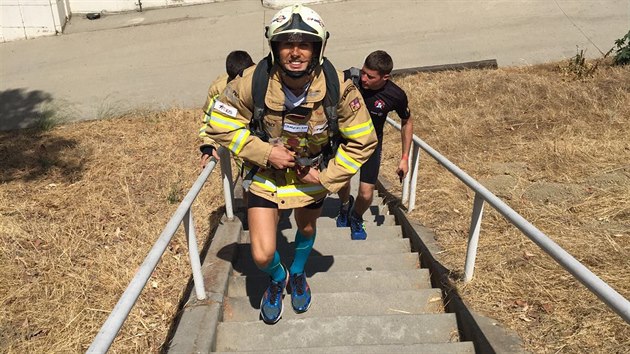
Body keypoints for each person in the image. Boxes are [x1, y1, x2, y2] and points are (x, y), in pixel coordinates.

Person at [201, 5, 377, 324]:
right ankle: (277, 276)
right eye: (286, 43)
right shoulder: (252, 81)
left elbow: (363, 140)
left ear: (318, 48)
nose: (295, 52)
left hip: (312, 177)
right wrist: (265, 152)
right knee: (262, 253)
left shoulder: (339, 87)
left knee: (306, 228)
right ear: (274, 47)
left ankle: (297, 274)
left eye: (304, 44)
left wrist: (326, 176)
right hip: (265, 176)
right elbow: (219, 122)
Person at [336, 50, 413, 240]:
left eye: (370, 76)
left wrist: (404, 158)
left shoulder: (395, 95)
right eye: (363, 72)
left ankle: (356, 217)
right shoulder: (349, 80)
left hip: (371, 146)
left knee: (366, 192)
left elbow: (407, 121)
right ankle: (345, 205)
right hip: (345, 142)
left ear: (385, 77)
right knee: (342, 182)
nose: (363, 78)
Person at [199, 50, 255, 167]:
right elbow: (210, 119)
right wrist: (208, 145)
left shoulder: (266, 80)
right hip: (243, 154)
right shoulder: (219, 90)